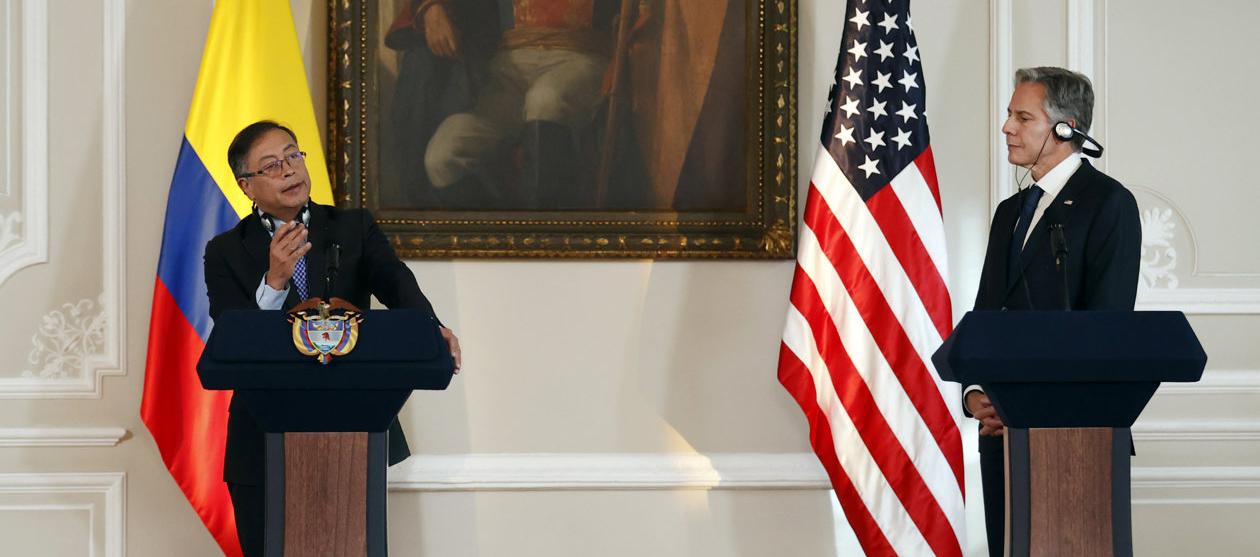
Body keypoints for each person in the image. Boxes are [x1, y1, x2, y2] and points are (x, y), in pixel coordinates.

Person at [203, 120, 462, 557]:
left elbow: (397, 283)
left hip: (353, 430)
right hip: (260, 439)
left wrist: (432, 326)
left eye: (292, 155)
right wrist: (274, 282)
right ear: (247, 186)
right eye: (272, 165)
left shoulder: (353, 227)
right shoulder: (225, 250)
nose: (289, 169)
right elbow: (232, 337)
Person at [967, 67, 1141, 556]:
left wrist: (1028, 402)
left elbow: (1107, 326)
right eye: (1010, 115)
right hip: (1002, 436)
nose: (1007, 127)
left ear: (1066, 128)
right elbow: (987, 314)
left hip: (1075, 442)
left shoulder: (1109, 203)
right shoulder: (1010, 211)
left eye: (1023, 118)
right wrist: (976, 395)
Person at [422, 0, 618, 209]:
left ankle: (542, 225)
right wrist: (431, 7)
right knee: (442, 156)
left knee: (545, 99)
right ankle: (498, 226)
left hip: (580, 57)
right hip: (508, 69)